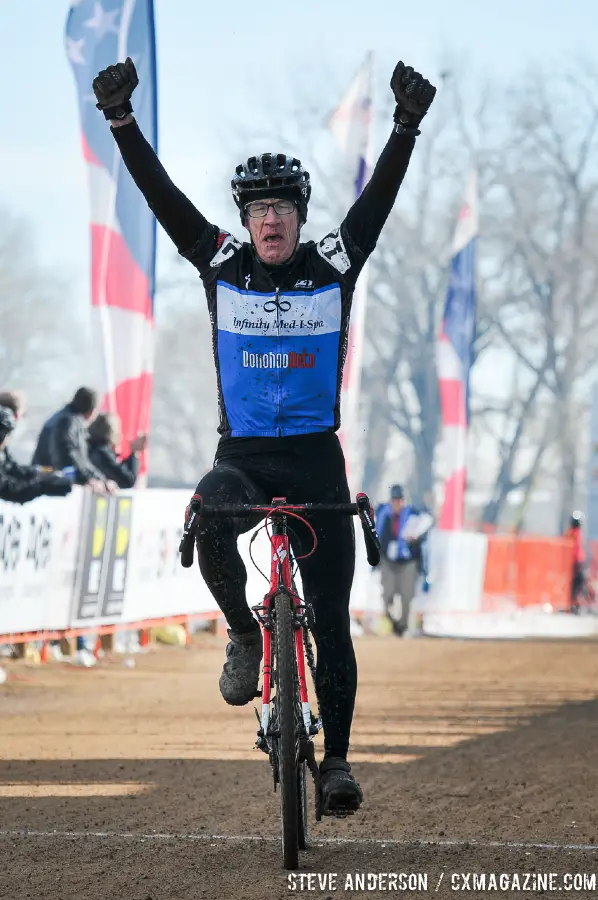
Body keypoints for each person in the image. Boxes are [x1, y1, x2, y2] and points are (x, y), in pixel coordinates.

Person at [92, 55, 436, 815]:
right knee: (209, 513)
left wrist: (406, 127)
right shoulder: (221, 265)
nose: (271, 218)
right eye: (258, 209)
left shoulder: (334, 265)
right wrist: (122, 123)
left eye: (282, 206)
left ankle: (338, 763)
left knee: (334, 626)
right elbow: (164, 200)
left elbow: (376, 204)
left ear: (299, 215)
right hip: (241, 459)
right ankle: (246, 633)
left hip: (317, 460)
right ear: (244, 221)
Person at [375, 485, 433, 636]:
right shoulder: (383, 514)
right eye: (394, 500)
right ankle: (392, 621)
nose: (397, 503)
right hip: (388, 561)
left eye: (400, 500)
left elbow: (427, 520)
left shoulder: (413, 514)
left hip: (408, 561)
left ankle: (403, 627)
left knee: (407, 596)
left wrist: (415, 535)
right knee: (387, 594)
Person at [32, 387, 113, 493]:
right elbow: (71, 457)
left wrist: (100, 479)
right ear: (92, 411)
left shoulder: (62, 418)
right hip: (52, 486)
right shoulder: (69, 422)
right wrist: (92, 479)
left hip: (44, 480)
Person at [0, 406, 72, 505]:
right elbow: (10, 489)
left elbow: (12, 468)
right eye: (6, 435)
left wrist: (40, 472)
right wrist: (44, 486)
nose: (6, 441)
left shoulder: (2, 451)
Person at [88, 413, 147, 489]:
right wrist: (135, 453)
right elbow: (128, 480)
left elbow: (119, 469)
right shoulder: (102, 453)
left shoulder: (94, 449)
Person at [565, 511, 587, 614]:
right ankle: (573, 606)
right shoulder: (573, 533)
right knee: (576, 585)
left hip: (576, 563)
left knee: (577, 585)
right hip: (575, 563)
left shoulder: (574, 533)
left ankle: (575, 606)